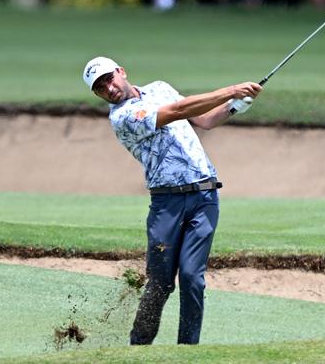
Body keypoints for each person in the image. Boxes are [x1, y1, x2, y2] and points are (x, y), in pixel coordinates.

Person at [82, 56, 262, 346]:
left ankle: (187, 350)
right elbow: (178, 111)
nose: (109, 88)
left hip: (205, 197)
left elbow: (204, 120)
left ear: (121, 72)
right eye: (100, 88)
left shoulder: (160, 88)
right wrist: (231, 90)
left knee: (193, 277)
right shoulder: (123, 117)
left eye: (109, 78)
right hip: (166, 204)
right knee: (160, 283)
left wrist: (235, 106)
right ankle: (139, 346)